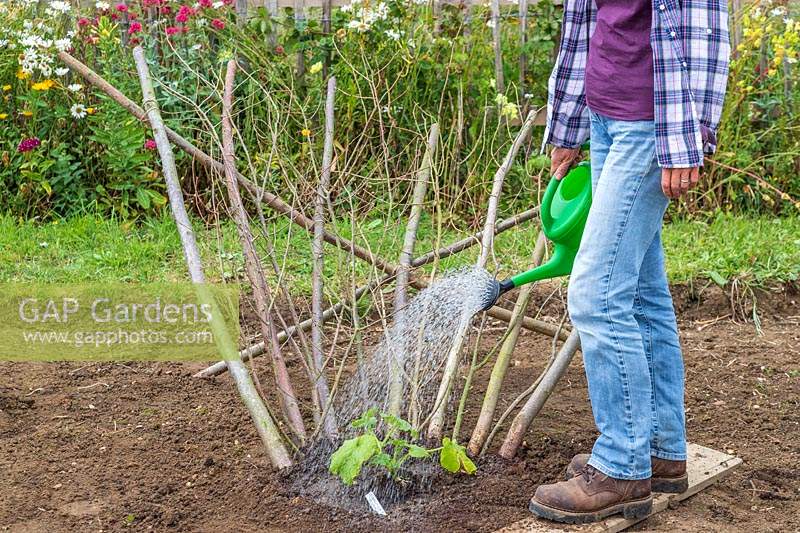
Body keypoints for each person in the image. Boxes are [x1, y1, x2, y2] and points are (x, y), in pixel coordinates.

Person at [528, 0, 730, 524]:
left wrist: (685, 142)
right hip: (606, 119)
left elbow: (704, 33)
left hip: (650, 124)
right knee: (641, 294)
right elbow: (586, 26)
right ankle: (660, 451)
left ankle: (622, 467)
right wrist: (569, 127)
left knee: (595, 295)